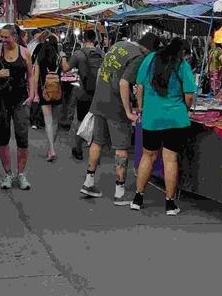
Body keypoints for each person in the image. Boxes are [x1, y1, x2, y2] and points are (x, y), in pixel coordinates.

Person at [79, 32, 160, 205]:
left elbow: (101, 70)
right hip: (116, 105)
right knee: (121, 146)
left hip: (99, 99)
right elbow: (125, 83)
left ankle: (89, 182)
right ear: (149, 49)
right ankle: (120, 191)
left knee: (97, 141)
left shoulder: (118, 46)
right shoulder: (139, 57)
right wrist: (129, 111)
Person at [132, 37, 196, 215]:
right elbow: (189, 96)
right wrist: (184, 108)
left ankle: (138, 198)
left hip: (152, 118)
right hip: (175, 119)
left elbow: (139, 85)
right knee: (170, 159)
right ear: (181, 52)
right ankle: (170, 203)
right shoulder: (182, 65)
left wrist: (141, 107)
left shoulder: (150, 59)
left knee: (148, 156)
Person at [0, 23, 36, 190]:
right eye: (2, 37)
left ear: (15, 36)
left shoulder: (25, 53)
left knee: (22, 138)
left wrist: (32, 95)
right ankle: (8, 174)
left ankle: (21, 174)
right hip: (1, 101)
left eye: (6, 37)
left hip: (20, 100)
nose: (3, 40)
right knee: (3, 138)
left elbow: (31, 75)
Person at [67, 28, 104, 160]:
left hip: (83, 93)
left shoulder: (78, 54)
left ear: (83, 39)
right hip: (99, 92)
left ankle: (78, 148)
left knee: (81, 121)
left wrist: (63, 57)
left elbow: (65, 68)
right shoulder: (102, 54)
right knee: (97, 120)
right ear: (95, 39)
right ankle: (94, 148)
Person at [33, 34, 67, 161]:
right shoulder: (59, 57)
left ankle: (51, 149)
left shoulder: (39, 58)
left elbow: (35, 78)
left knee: (48, 122)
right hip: (58, 91)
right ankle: (51, 148)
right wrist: (63, 56)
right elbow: (65, 69)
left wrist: (35, 94)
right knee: (56, 122)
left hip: (44, 93)